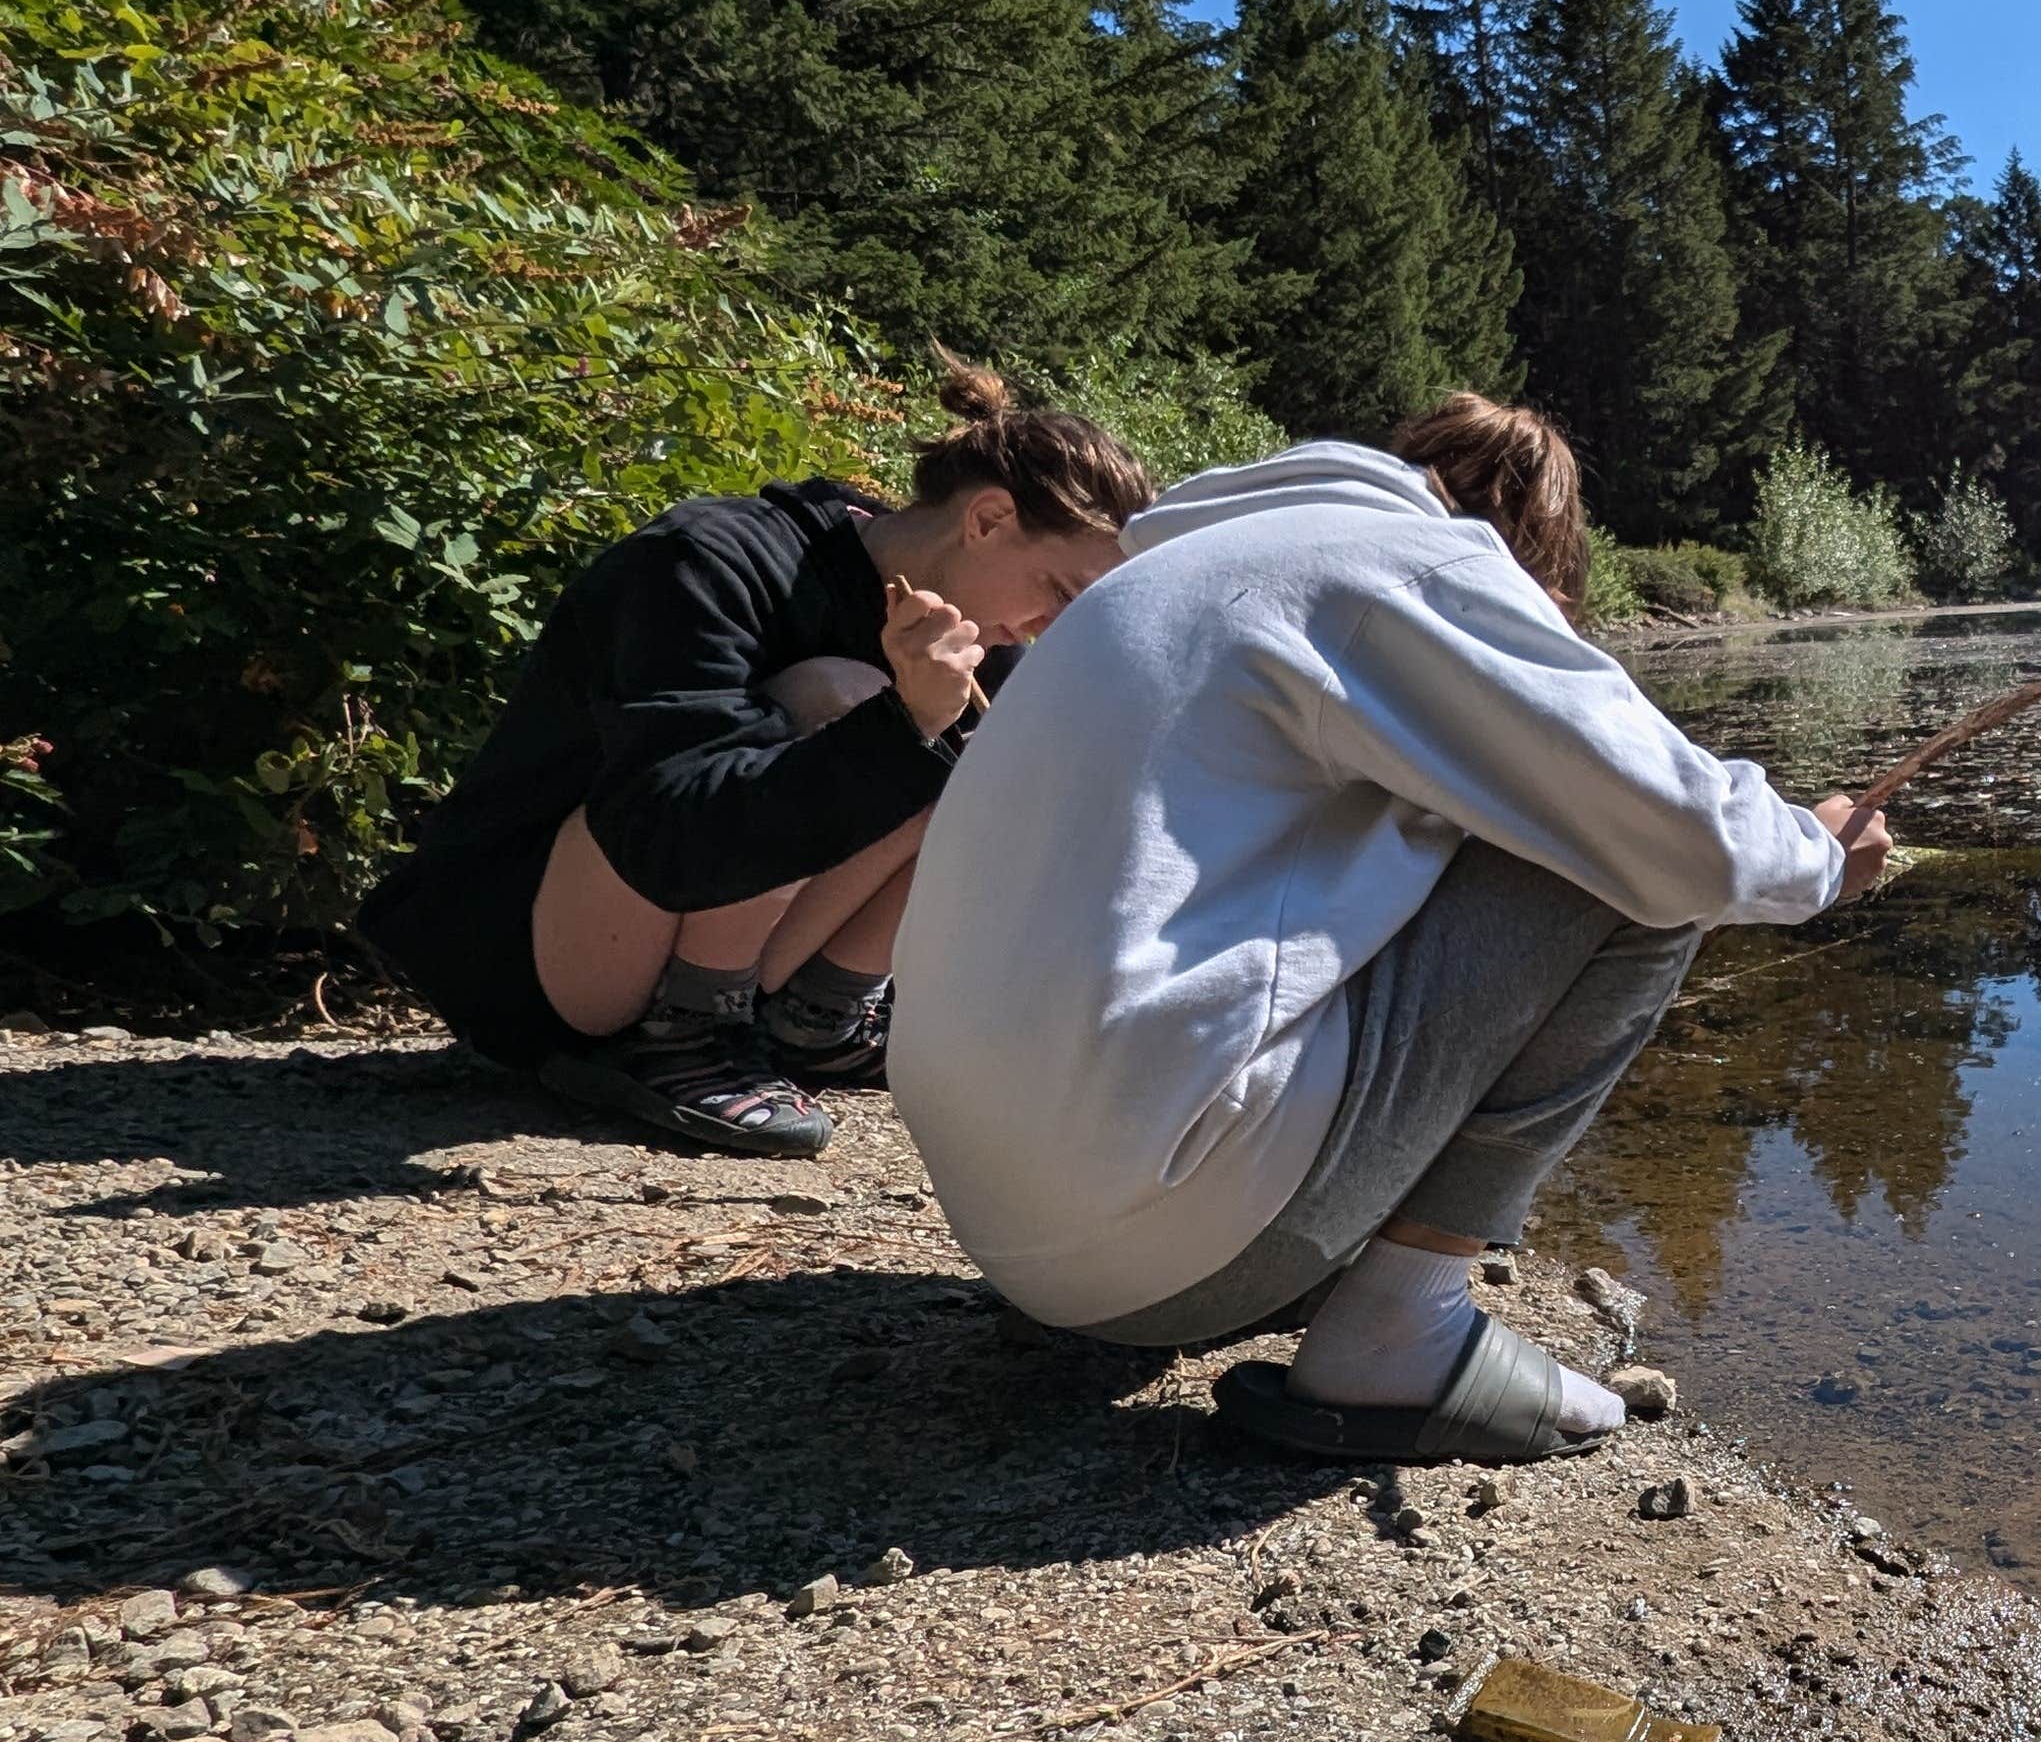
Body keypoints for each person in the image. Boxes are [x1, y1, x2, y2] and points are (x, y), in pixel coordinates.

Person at [888, 394, 1887, 1465]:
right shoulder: (1416, 568)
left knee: (1543, 818)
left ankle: (1315, 1254)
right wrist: (1818, 851)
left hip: (1010, 1229)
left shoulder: (1173, 575)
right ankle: (1398, 1329)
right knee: (1619, 861)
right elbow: (1695, 841)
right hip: (1145, 1242)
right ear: (1515, 560)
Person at [356, 367, 1151, 1158]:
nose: (1050, 626)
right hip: (532, 954)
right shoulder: (707, 561)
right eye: (1058, 590)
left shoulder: (983, 636)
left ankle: (819, 1019)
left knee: (987, 757)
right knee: (843, 695)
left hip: (700, 938)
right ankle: (687, 1030)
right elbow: (664, 827)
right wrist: (898, 721)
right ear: (986, 518)